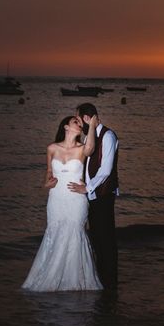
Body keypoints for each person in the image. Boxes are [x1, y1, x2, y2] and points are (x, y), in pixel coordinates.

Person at [22, 115, 102, 292]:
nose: (79, 125)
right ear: (66, 127)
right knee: (55, 232)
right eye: (76, 122)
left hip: (76, 199)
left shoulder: (82, 149)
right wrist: (46, 184)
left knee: (75, 233)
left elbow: (90, 148)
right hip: (56, 198)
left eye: (81, 124)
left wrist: (92, 126)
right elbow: (48, 175)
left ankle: (75, 282)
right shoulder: (51, 148)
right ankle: (50, 279)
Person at [68, 103, 119, 289]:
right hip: (92, 196)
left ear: (88, 118)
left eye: (79, 119)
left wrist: (87, 188)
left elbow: (105, 170)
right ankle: (102, 277)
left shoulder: (108, 136)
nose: (79, 124)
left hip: (103, 195)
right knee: (97, 237)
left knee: (106, 239)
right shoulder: (89, 138)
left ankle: (110, 282)